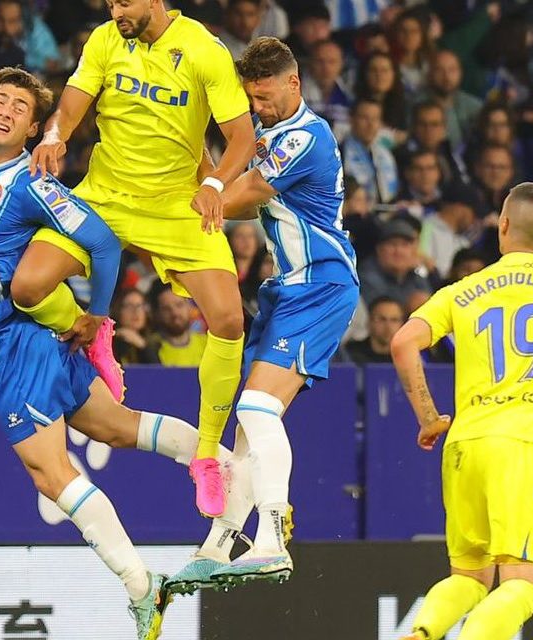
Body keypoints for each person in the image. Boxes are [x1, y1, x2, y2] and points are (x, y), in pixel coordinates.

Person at [0, 66, 232, 640]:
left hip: (18, 343)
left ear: (34, 130)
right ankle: (228, 468)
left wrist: (98, 316)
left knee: (50, 473)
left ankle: (141, 586)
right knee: (115, 426)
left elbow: (102, 241)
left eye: (19, 108)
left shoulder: (30, 182)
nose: (6, 111)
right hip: (17, 343)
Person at [24, 0, 257, 517]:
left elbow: (243, 135)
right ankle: (95, 330)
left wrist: (215, 182)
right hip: (103, 196)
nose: (116, 10)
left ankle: (206, 458)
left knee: (229, 319)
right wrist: (56, 135)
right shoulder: (106, 39)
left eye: (124, 2)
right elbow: (72, 103)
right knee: (27, 286)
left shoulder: (203, 50)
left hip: (177, 204)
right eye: (110, 2)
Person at [166, 36, 358, 590]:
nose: (257, 106)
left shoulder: (305, 135)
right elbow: (235, 191)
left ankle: (273, 534)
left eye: (266, 95)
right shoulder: (270, 133)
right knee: (250, 424)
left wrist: (165, 212)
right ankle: (223, 540)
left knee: (253, 406)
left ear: (293, 83)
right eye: (250, 97)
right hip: (288, 289)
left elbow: (242, 193)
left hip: (320, 284)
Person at [391, 182, 533, 640]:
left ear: (503, 225)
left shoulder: (463, 290)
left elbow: (403, 342)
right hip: (522, 448)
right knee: (525, 585)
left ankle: (422, 631)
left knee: (468, 578)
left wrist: (429, 418)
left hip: (465, 446)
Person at [150, 283, 207, 367]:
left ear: (189, 306)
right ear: (157, 313)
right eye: (166, 308)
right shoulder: (151, 347)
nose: (175, 313)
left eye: (179, 305)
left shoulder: (208, 344)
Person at [344, 295, 404, 365]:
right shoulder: (350, 354)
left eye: (394, 320)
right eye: (381, 319)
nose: (388, 326)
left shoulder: (409, 356)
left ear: (402, 324)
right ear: (369, 322)